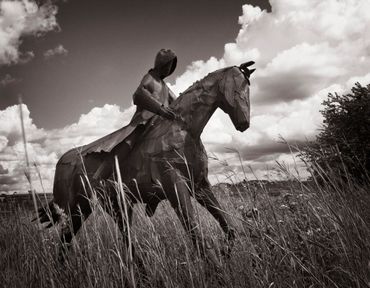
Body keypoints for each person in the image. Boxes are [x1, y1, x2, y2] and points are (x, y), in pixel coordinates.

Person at [91, 48, 179, 183]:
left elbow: (178, 101)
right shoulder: (149, 78)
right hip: (143, 124)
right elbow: (138, 95)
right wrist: (160, 109)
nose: (169, 69)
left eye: (171, 66)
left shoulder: (165, 87)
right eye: (168, 65)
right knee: (127, 145)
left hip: (160, 125)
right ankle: (100, 177)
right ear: (162, 63)